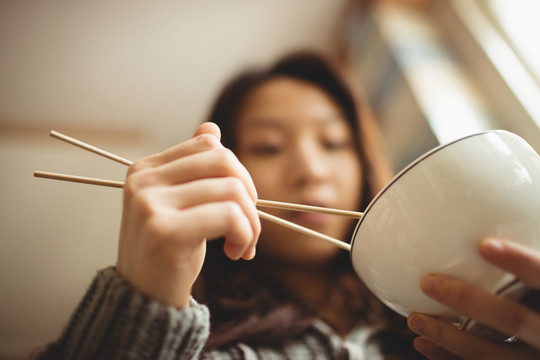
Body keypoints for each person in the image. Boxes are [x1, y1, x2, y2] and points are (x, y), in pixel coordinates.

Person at [34, 52, 540, 360]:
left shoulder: (441, 333)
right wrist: (141, 302)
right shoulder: (199, 344)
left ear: (365, 166)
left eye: (334, 142)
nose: (310, 170)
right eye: (270, 147)